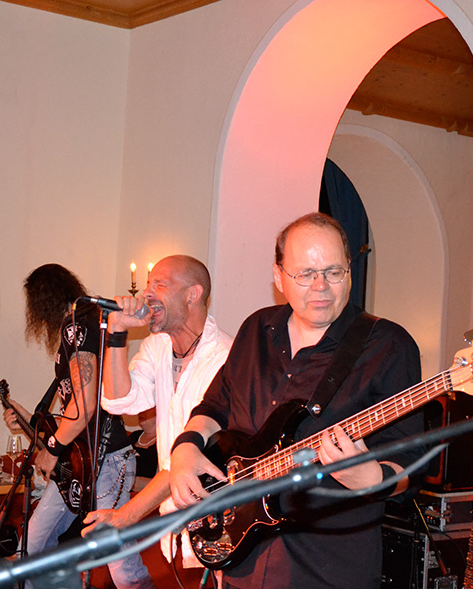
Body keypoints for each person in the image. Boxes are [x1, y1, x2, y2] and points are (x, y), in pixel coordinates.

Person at [169, 213, 425, 589]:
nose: (321, 286)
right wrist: (185, 448)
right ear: (279, 277)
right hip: (242, 561)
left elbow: (412, 464)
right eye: (305, 274)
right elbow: (216, 406)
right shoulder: (257, 329)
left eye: (333, 272)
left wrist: (372, 478)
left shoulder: (388, 346)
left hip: (328, 569)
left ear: (350, 271)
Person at [2, 264, 154, 589]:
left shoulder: (77, 324)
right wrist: (30, 418)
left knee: (120, 559)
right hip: (82, 459)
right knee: (32, 543)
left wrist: (52, 449)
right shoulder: (85, 321)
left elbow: (84, 406)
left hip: (106, 458)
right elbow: (77, 409)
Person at [83, 255, 233, 570]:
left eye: (160, 285)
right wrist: (117, 333)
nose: (147, 294)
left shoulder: (224, 358)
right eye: (147, 285)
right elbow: (118, 401)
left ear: (193, 294)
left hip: (218, 519)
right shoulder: (158, 346)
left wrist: (125, 516)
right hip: (177, 520)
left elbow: (185, 462)